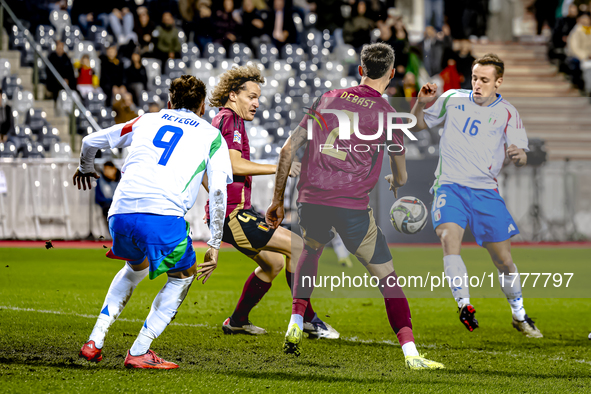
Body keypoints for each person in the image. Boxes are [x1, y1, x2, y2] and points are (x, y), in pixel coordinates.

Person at [266, 43, 444, 370]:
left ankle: (295, 320)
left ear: (361, 69)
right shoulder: (387, 114)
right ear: (391, 74)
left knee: (311, 250)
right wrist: (397, 181)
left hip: (310, 199)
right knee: (387, 278)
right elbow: (402, 173)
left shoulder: (328, 98)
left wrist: (277, 200)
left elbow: (287, 150)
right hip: (350, 206)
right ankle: (411, 354)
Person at [76, 75, 233, 368]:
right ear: (202, 106)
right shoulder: (211, 135)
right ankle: (139, 351)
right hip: (161, 217)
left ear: (170, 102)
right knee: (184, 275)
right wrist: (214, 241)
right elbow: (219, 189)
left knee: (135, 268)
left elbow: (89, 141)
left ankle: (95, 340)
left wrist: (85, 167)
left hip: (119, 214)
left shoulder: (145, 120)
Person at [409, 54, 543, 338]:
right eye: (474, 78)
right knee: (449, 239)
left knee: (504, 260)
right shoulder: (452, 98)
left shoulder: (508, 112)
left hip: (485, 192)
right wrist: (420, 102)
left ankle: (519, 315)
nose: (478, 84)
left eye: (484, 80)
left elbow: (520, 155)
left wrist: (520, 155)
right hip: (450, 186)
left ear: (498, 82)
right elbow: (417, 124)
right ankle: (464, 304)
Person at [206, 65, 338, 338]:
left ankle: (238, 320)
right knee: (298, 246)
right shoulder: (229, 119)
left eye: (258, 97)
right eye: (251, 96)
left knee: (274, 263)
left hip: (233, 212)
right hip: (233, 215)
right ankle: (309, 319)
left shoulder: (228, 120)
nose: (256, 103)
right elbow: (234, 165)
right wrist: (278, 167)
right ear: (233, 95)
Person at [95, 161, 121, 228]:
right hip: (108, 206)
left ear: (114, 169)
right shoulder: (100, 181)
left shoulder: (122, 180)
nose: (106, 172)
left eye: (108, 170)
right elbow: (98, 198)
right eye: (105, 170)